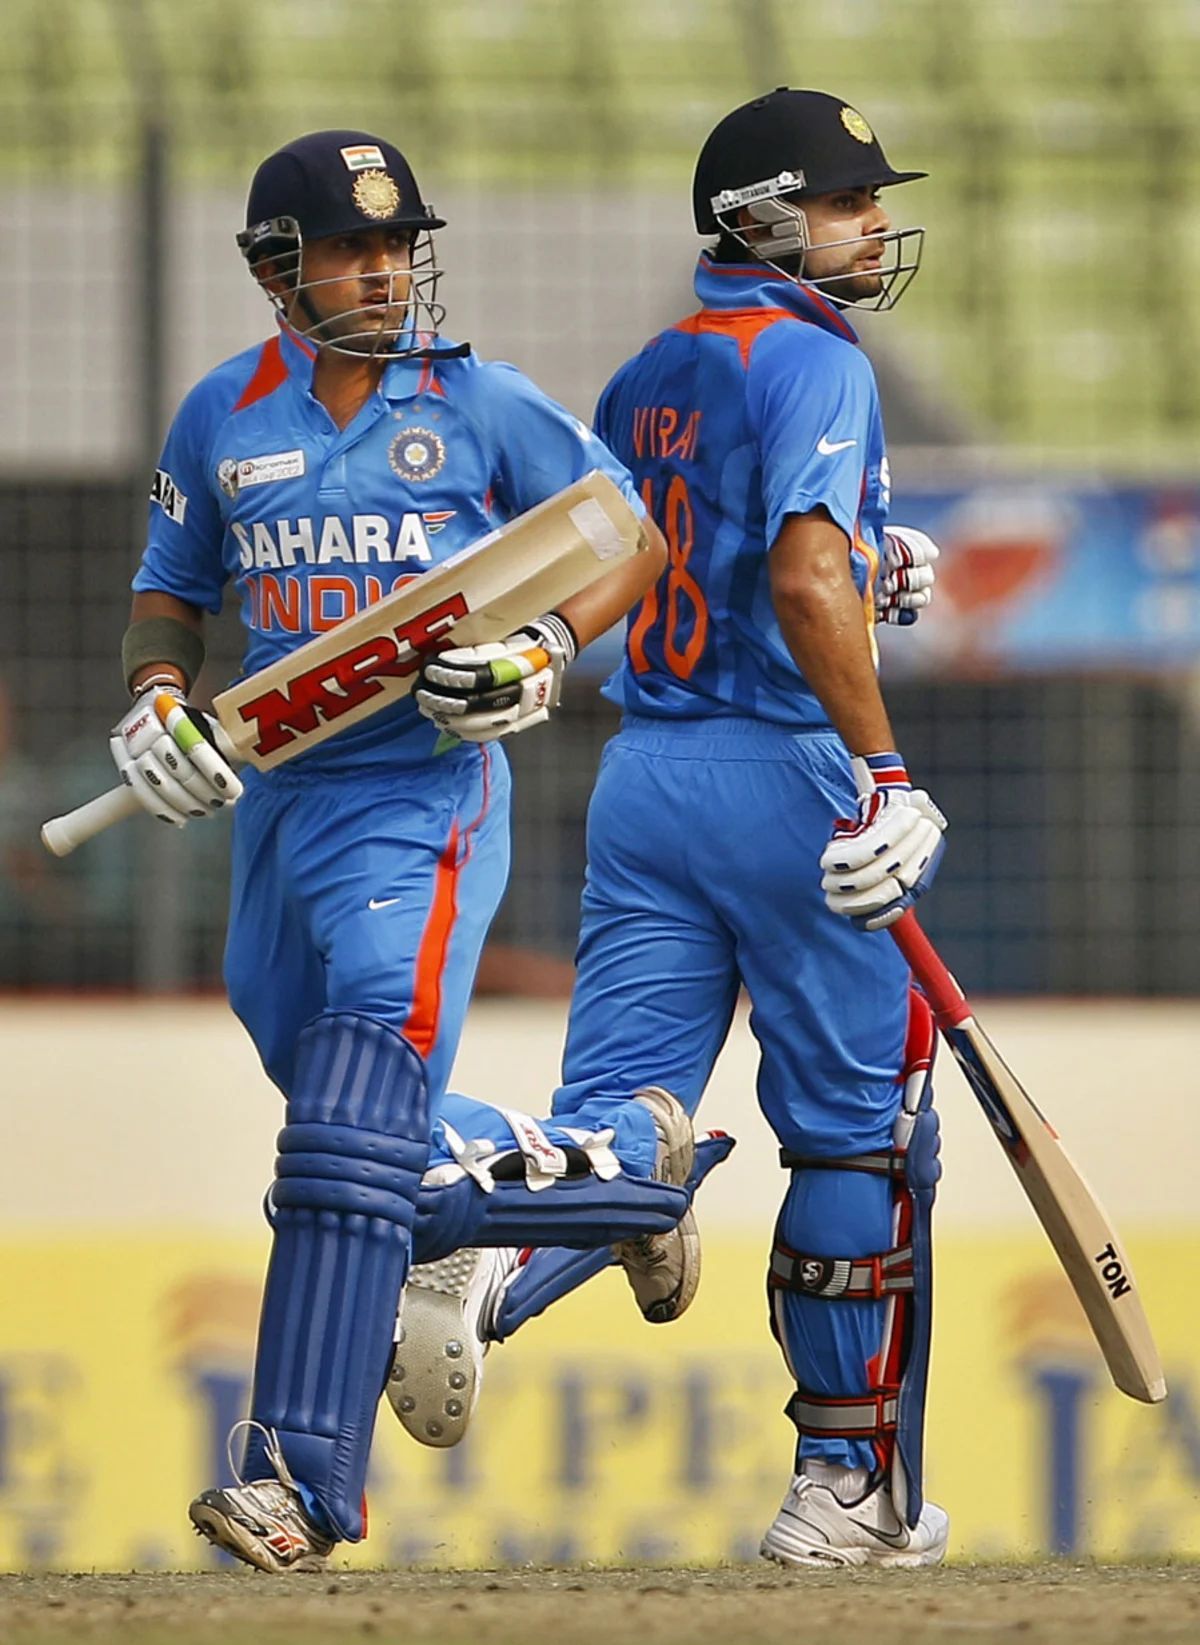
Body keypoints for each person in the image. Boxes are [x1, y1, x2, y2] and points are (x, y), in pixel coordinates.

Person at [107, 128, 685, 1573]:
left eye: (397, 246)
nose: (383, 272)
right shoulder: (219, 418)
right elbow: (170, 596)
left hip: (424, 793)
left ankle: (297, 1480)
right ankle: (622, 1168)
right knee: (330, 1089)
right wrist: (159, 706)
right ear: (273, 270)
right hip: (282, 799)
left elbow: (630, 537)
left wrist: (543, 652)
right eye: (350, 250)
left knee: (350, 1110)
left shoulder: (478, 403)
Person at [405, 88, 950, 1569]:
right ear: (762, 219)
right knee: (864, 1135)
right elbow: (798, 583)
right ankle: (844, 1484)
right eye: (846, 204)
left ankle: (481, 1246)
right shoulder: (819, 363)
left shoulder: (653, 366)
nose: (874, 226)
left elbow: (676, 551)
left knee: (625, 1125)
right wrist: (886, 770)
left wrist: (866, 557)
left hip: (649, 775)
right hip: (786, 773)